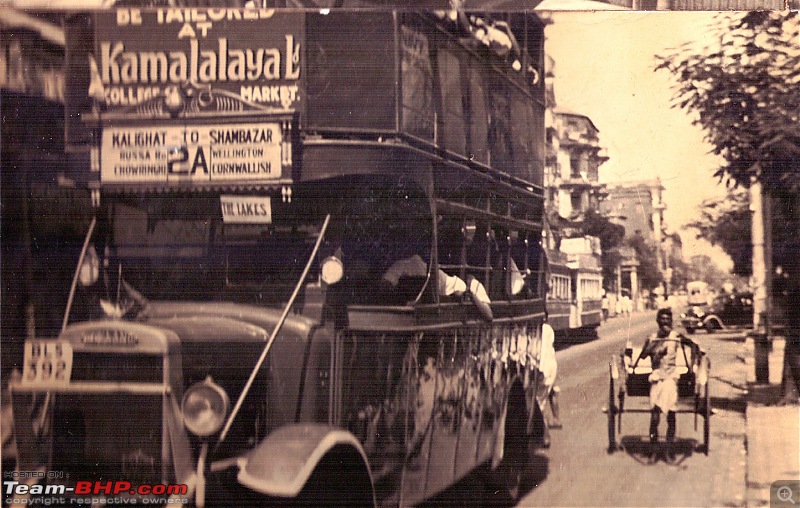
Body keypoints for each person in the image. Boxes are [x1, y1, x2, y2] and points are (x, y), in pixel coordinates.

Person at [639, 308, 680, 461]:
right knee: (655, 417)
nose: (664, 323)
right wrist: (654, 346)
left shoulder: (676, 337)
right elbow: (643, 355)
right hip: (656, 378)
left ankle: (669, 450)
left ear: (671, 321)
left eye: (667, 320)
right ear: (658, 321)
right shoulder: (652, 337)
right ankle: (654, 450)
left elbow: (693, 347)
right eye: (662, 319)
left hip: (670, 379)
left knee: (671, 416)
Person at [536, 315, 561, 448]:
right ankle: (557, 418)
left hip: (544, 368)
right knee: (552, 391)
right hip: (552, 365)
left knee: (540, 402)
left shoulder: (537, 331)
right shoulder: (548, 329)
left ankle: (545, 435)